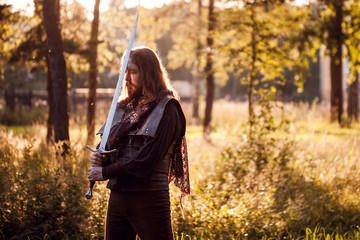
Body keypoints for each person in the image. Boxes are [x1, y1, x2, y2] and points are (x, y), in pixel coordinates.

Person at [88, 47, 190, 240]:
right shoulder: (126, 108)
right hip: (118, 195)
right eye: (124, 72)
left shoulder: (167, 109)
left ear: (149, 73)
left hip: (149, 197)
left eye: (133, 72)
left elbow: (146, 159)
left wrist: (105, 172)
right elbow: (115, 150)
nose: (126, 78)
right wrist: (103, 158)